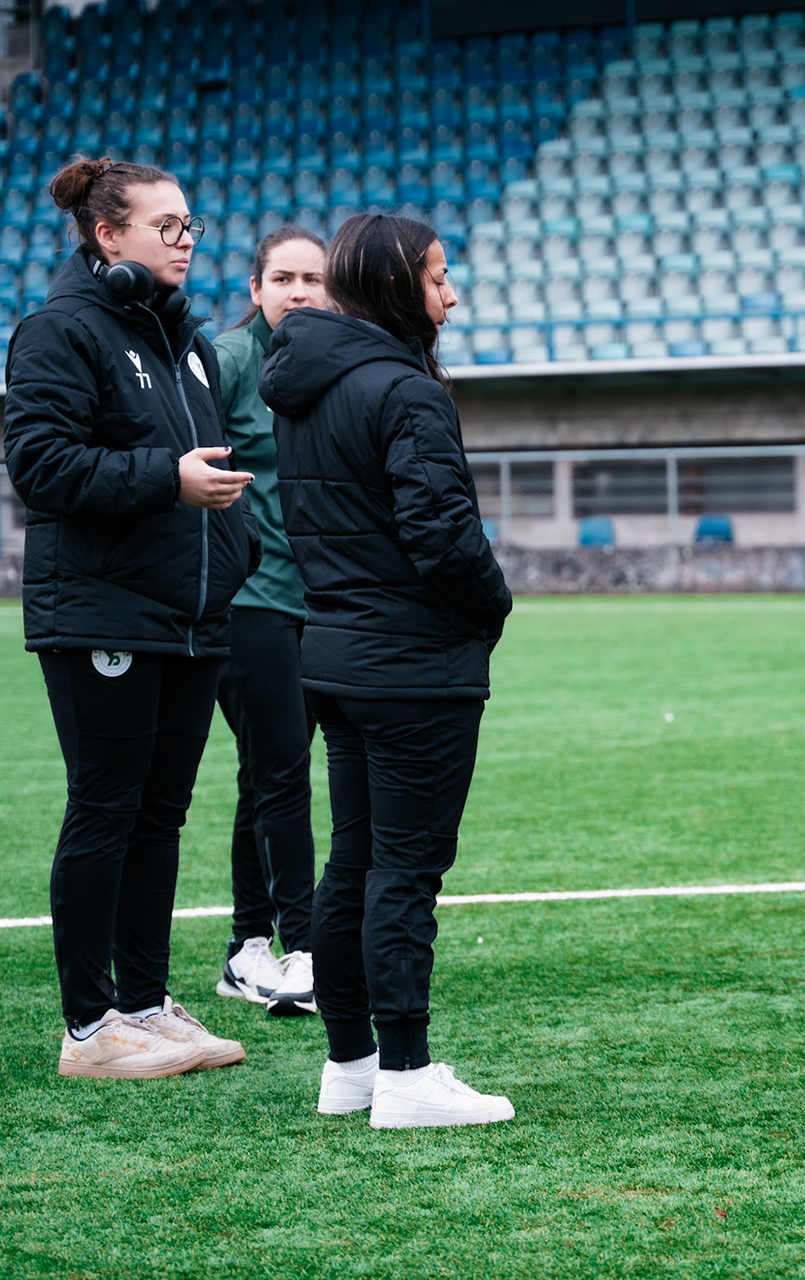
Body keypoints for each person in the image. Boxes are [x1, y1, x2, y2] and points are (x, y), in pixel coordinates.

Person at [4, 157, 260, 1079]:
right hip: (102, 613)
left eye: (190, 225)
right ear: (108, 236)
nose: (186, 242)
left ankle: (146, 1006)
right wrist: (168, 479)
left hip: (190, 619)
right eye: (168, 227)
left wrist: (237, 556)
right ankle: (88, 1030)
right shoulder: (60, 330)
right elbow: (40, 467)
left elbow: (209, 472)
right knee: (105, 810)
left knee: (161, 816)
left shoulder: (184, 341)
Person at [260, 213, 516, 1128]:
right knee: (404, 873)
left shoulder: (306, 385)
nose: (452, 294)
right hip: (411, 665)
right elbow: (443, 536)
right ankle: (406, 1076)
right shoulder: (404, 391)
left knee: (354, 865)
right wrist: (495, 604)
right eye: (439, 276)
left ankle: (352, 1068)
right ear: (396, 283)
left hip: (334, 653)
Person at [211, 225, 329, 1018]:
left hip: (322, 604)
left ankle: (245, 948)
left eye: (312, 279)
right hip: (247, 603)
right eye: (282, 278)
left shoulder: (337, 361)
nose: (297, 291)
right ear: (255, 289)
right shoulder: (223, 363)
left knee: (267, 771)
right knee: (283, 767)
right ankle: (305, 948)